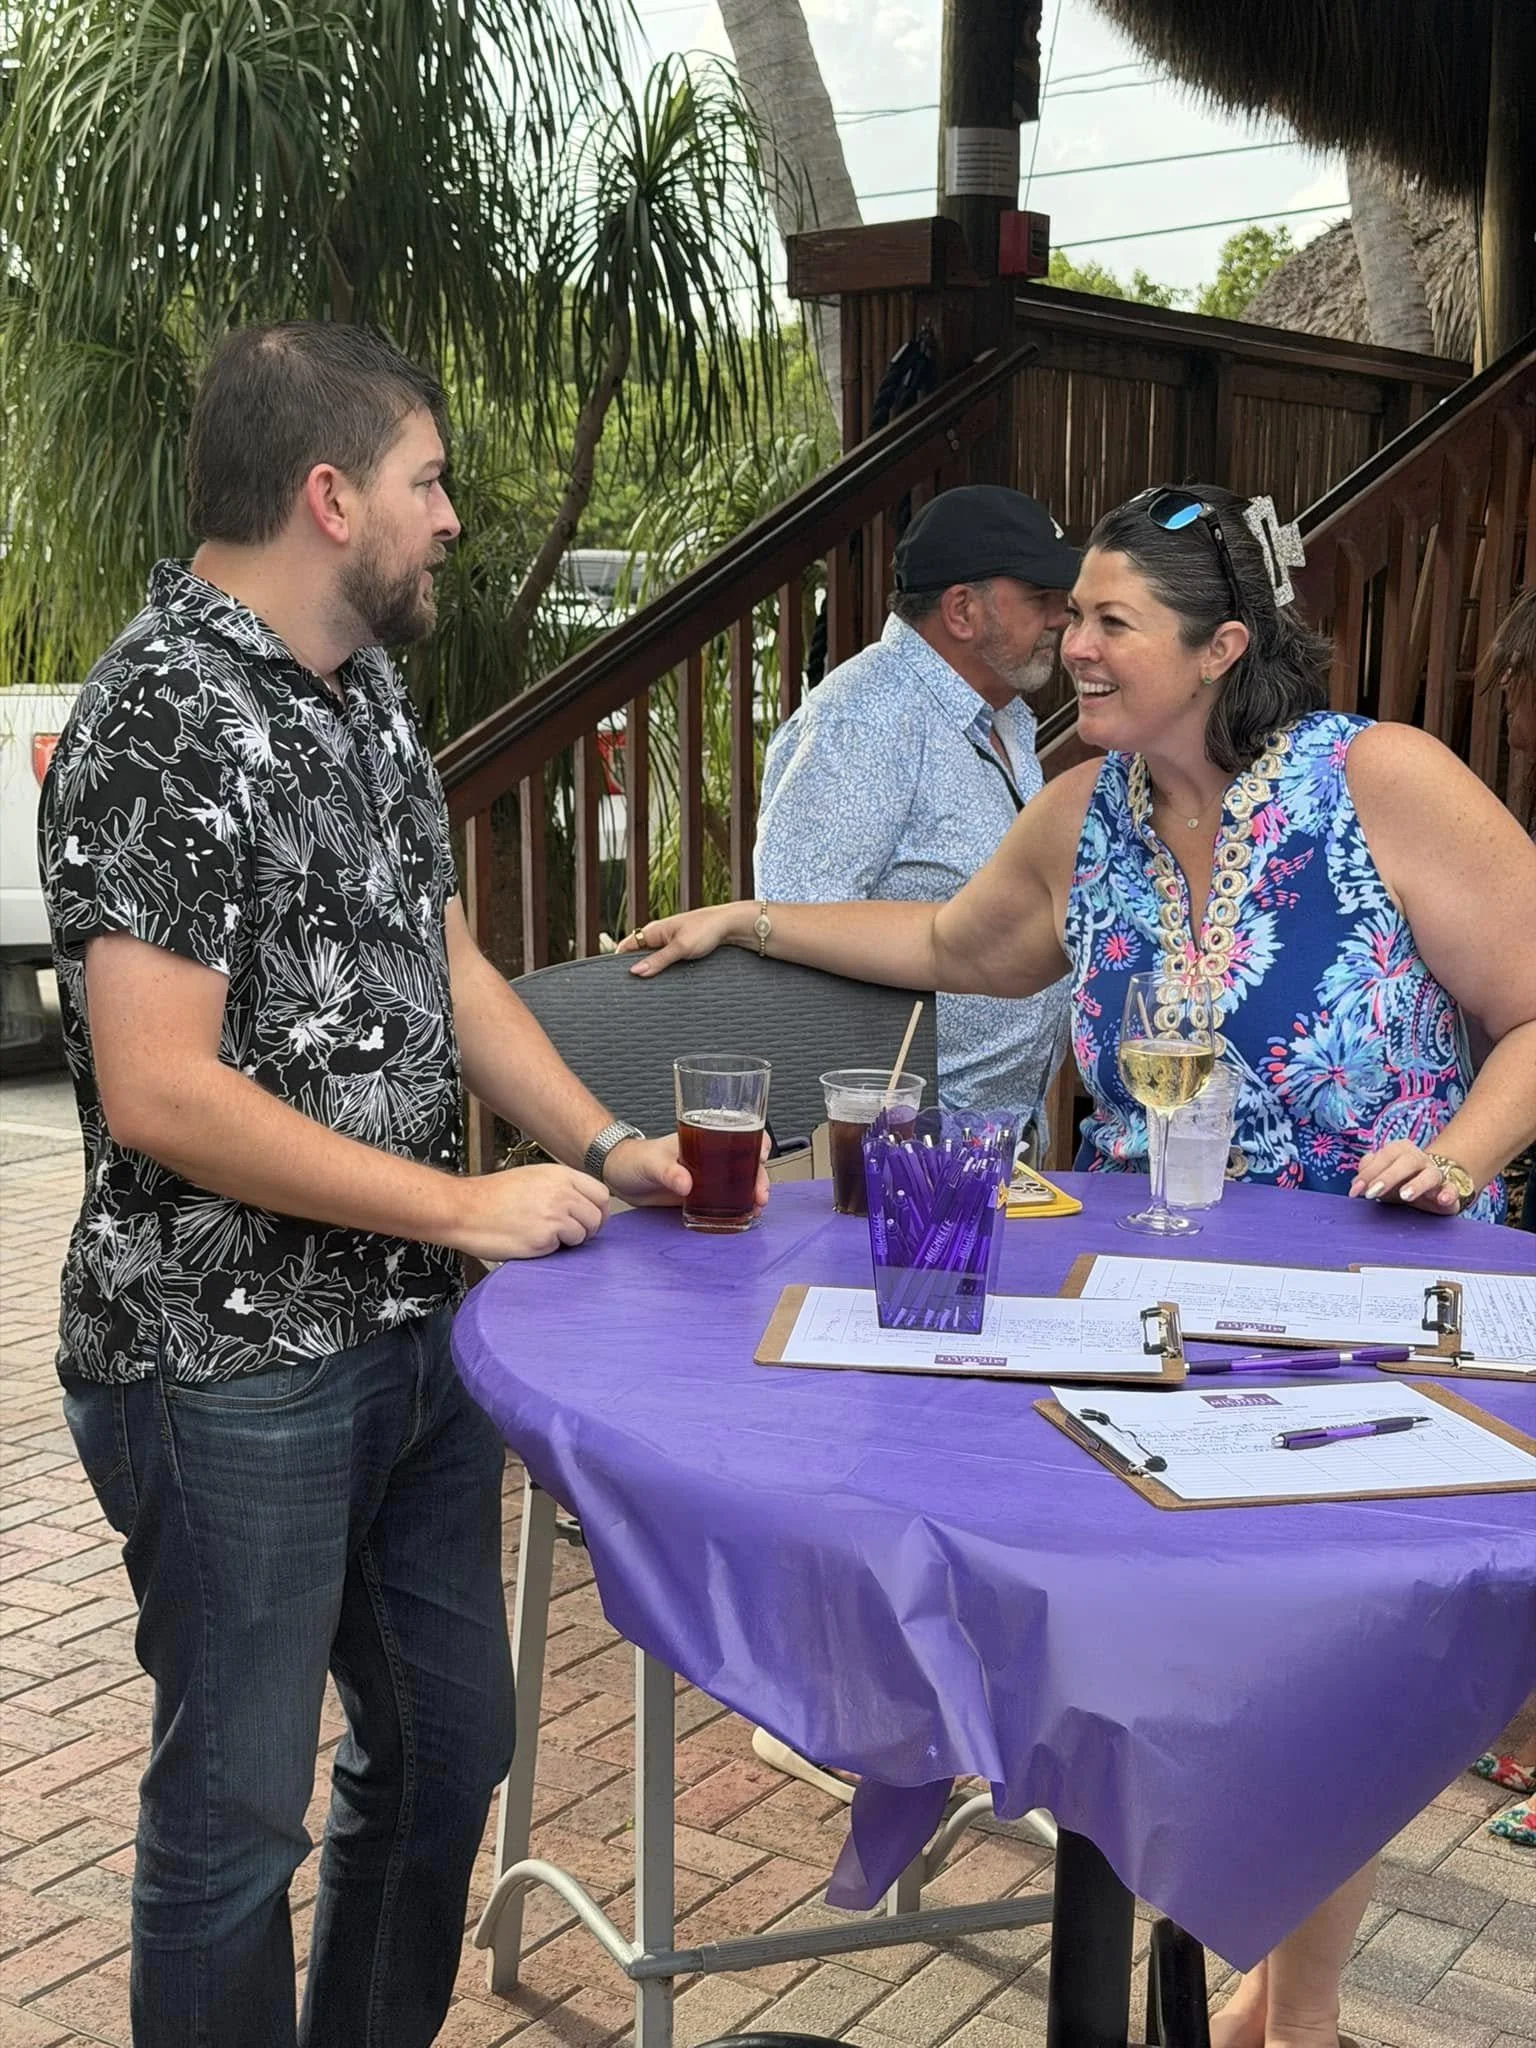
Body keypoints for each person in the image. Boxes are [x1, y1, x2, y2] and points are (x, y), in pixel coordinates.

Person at [618, 479, 1536, 2048]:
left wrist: (1463, 1153)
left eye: (1114, 623)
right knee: (1162, 1644)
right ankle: (1250, 1996)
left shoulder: (1380, 781)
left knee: (1330, 1652)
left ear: (1222, 646)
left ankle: (1286, 2007)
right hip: (1145, 1311)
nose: (1078, 650)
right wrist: (751, 921)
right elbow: (951, 949)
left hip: (1376, 1300)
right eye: (1080, 618)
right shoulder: (1079, 814)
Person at [39, 321, 763, 2048]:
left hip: (403, 1335)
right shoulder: (159, 715)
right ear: (328, 491)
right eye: (428, 480)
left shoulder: (364, 685)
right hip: (220, 1371)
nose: (452, 516)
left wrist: (597, 1146)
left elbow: (444, 970)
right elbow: (158, 1089)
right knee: (231, 1824)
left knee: (448, 1747)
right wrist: (460, 1206)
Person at [755, 485, 1076, 1143]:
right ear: (961, 610)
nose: (1062, 618)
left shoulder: (1002, 713)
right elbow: (795, 938)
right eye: (1041, 598)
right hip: (909, 1150)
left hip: (991, 1142)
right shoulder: (861, 722)